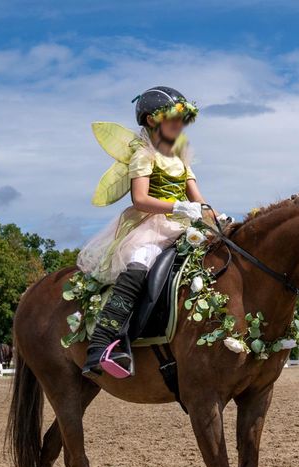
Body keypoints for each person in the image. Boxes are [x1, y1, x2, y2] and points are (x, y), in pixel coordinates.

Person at [77, 86, 217, 378]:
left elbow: (198, 198)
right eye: (174, 118)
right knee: (140, 263)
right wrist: (179, 207)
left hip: (185, 226)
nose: (180, 125)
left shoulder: (180, 157)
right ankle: (103, 342)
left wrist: (215, 216)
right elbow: (139, 199)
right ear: (153, 121)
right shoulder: (144, 154)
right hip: (150, 225)